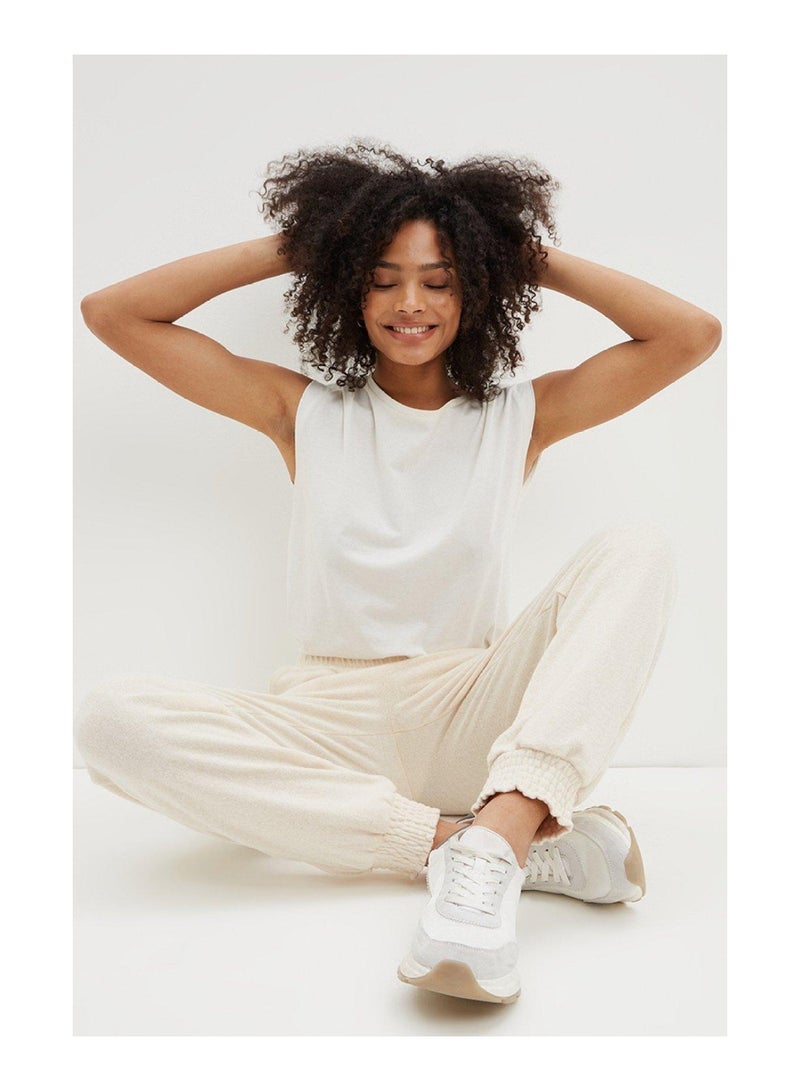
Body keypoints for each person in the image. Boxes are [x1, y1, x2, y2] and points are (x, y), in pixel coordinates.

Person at [76, 142, 722, 1005]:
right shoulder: (302, 412)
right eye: (382, 279)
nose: (409, 303)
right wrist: (308, 242)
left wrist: (517, 252)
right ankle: (475, 846)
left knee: (637, 549)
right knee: (111, 720)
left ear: (475, 291)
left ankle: (508, 819)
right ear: (349, 290)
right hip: (326, 724)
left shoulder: (520, 418)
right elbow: (115, 313)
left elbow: (690, 334)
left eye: (439, 280)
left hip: (470, 712)